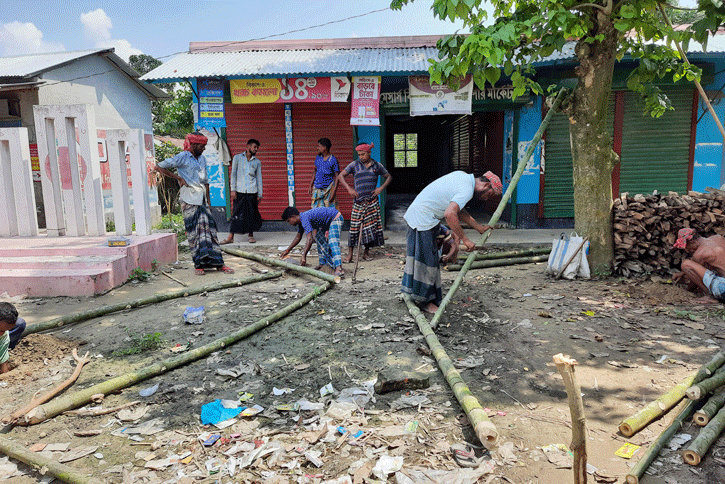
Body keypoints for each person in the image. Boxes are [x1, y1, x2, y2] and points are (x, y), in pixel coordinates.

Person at [401, 170, 503, 313]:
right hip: (423, 219)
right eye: (489, 194)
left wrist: (479, 228)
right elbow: (450, 213)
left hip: (419, 216)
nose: (486, 198)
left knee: (419, 259)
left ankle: (411, 292)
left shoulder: (463, 177)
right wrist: (466, 240)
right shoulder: (467, 189)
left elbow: (460, 211)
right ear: (486, 185)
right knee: (427, 263)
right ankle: (424, 301)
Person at [155, 132, 234, 276]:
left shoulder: (203, 159)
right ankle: (199, 265)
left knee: (211, 231)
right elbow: (159, 166)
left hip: (201, 199)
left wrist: (210, 204)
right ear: (194, 145)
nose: (204, 149)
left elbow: (206, 182)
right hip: (189, 199)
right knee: (194, 233)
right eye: (202, 146)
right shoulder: (182, 157)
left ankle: (218, 263)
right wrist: (177, 177)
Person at [338, 141, 392, 262]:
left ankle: (366, 253)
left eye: (363, 154)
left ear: (369, 153)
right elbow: (341, 176)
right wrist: (349, 188)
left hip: (372, 202)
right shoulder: (354, 165)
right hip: (358, 202)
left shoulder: (377, 166)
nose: (361, 157)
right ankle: (350, 255)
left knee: (370, 228)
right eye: (359, 154)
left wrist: (381, 188)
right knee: (354, 228)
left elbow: (389, 176)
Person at [280, 206, 345, 277]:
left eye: (289, 221)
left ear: (293, 217)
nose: (290, 223)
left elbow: (309, 239)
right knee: (319, 239)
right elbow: (298, 237)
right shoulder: (301, 220)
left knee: (333, 242)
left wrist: (304, 255)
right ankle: (322, 263)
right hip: (326, 222)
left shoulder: (304, 218)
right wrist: (287, 251)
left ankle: (339, 269)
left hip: (335, 218)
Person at [221, 139, 263, 244]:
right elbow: (233, 175)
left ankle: (251, 235)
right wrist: (233, 190)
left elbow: (259, 178)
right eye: (254, 147)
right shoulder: (237, 158)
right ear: (248, 146)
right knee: (236, 213)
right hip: (239, 191)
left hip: (252, 191)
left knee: (251, 214)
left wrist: (259, 194)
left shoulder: (257, 162)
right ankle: (231, 236)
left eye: (257, 147)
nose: (256, 149)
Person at [673, 228, 725, 304]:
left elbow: (693, 281)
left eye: (687, 247)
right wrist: (681, 274)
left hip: (723, 289)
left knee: (686, 264)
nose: (687, 251)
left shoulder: (699, 254)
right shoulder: (717, 238)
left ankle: (710, 296)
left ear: (692, 242)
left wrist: (687, 290)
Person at [309, 138, 340, 208]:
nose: (317, 148)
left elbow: (338, 177)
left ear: (325, 147)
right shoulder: (318, 157)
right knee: (316, 212)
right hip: (317, 189)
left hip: (328, 190)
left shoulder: (333, 160)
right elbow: (315, 171)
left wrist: (333, 193)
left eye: (319, 146)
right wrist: (311, 185)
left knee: (329, 211)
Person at [0, 302, 26, 374]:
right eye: (1, 331)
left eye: (5, 330)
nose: (2, 334)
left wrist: (5, 375)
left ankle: (10, 347)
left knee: (20, 323)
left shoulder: (4, 334)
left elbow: (3, 359)